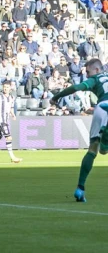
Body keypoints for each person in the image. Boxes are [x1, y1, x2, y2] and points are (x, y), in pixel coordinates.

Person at [50, 58, 108, 202]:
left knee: (93, 150)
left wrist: (56, 97)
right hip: (103, 107)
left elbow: (76, 88)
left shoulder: (94, 79)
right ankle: (106, 134)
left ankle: (80, 189)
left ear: (97, 70)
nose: (87, 75)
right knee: (104, 150)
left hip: (101, 108)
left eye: (88, 72)